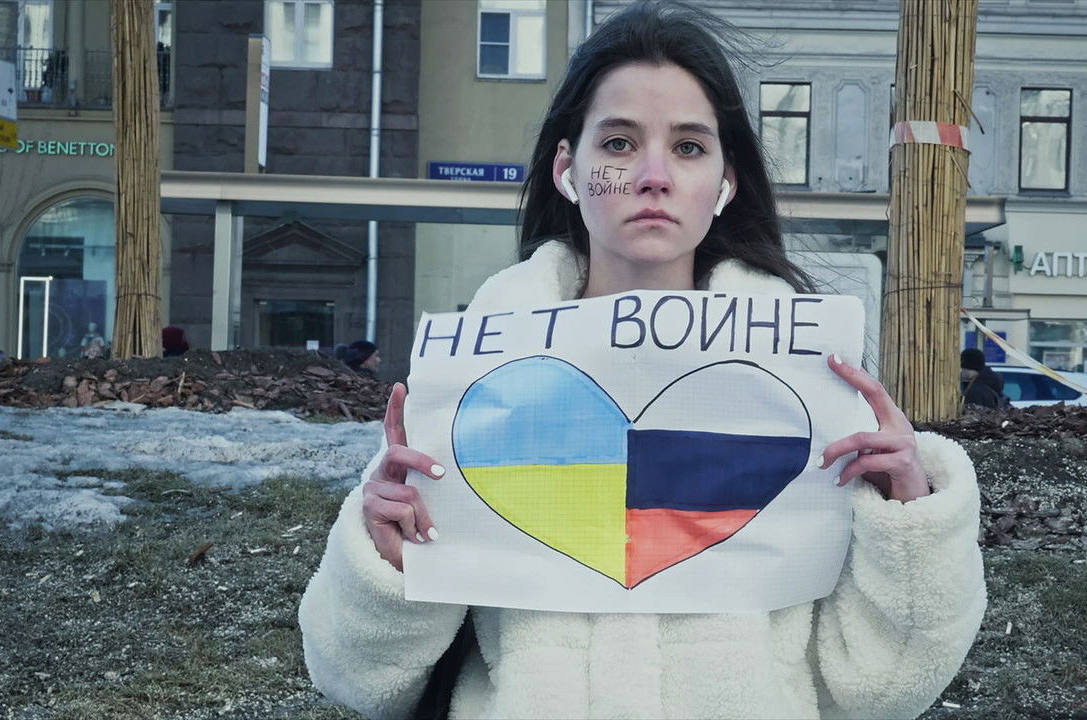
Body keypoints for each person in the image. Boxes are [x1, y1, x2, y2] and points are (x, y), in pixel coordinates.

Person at [299, 3, 985, 718]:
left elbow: (882, 690)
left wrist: (908, 517)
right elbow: (360, 681)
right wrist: (389, 558)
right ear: (568, 168)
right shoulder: (475, 382)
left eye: (688, 147)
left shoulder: (806, 382)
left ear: (725, 181)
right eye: (620, 143)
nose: (654, 175)